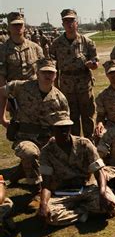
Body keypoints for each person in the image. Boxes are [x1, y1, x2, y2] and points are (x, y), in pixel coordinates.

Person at [0, 58, 69, 191]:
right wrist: (2, 118)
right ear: (37, 73)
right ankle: (36, 186)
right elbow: (1, 92)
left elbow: (64, 125)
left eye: (51, 73)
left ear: (55, 75)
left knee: (62, 173)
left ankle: (21, 171)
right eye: (44, 72)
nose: (48, 76)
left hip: (48, 140)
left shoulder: (60, 99)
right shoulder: (21, 87)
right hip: (25, 137)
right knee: (29, 153)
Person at [38, 113, 115, 227]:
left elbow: (99, 171)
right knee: (50, 216)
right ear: (52, 130)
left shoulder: (84, 144)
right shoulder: (46, 152)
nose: (64, 131)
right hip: (62, 192)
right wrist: (43, 204)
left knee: (110, 202)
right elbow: (46, 183)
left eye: (66, 127)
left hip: (86, 188)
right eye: (59, 128)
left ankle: (75, 212)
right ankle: (85, 213)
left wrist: (102, 193)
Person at [50, 9, 99, 139]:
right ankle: (75, 144)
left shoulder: (87, 42)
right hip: (66, 86)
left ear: (77, 23)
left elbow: (95, 61)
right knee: (71, 118)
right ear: (62, 24)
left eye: (72, 21)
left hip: (84, 85)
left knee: (88, 117)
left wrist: (92, 64)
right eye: (66, 21)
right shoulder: (56, 44)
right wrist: (55, 87)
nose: (69, 24)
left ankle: (90, 144)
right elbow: (52, 67)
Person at [0, 12, 43, 87]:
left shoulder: (36, 48)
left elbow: (43, 71)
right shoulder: (3, 50)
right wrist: (4, 96)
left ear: (24, 27)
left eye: (20, 24)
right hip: (13, 93)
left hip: (34, 93)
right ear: (8, 27)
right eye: (14, 25)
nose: (18, 27)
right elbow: (1, 76)